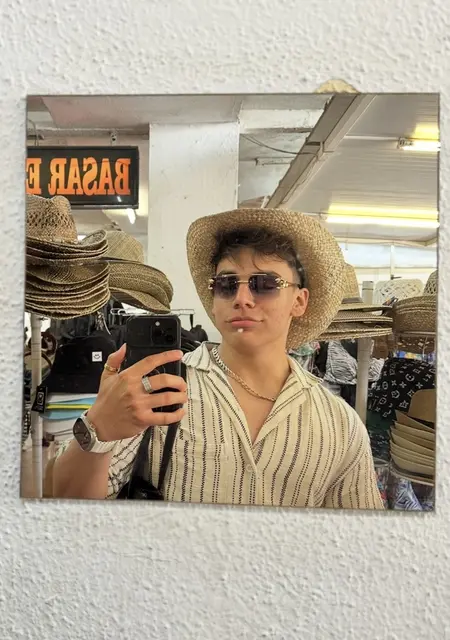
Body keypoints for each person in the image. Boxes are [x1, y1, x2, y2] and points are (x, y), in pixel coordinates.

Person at [53, 208, 384, 509]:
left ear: (299, 301)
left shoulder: (339, 423)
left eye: (264, 284)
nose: (242, 298)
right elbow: (67, 505)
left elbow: (358, 539)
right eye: (226, 284)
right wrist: (98, 427)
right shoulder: (157, 391)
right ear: (213, 302)